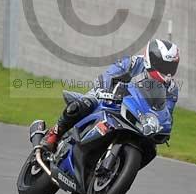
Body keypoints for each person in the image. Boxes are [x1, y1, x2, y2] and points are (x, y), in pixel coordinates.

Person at [41, 39, 180, 152]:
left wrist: (163, 127)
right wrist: (105, 91)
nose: (167, 72)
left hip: (137, 118)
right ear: (152, 60)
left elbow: (166, 114)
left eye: (171, 68)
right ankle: (54, 134)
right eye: (164, 66)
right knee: (83, 105)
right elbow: (107, 77)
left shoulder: (171, 89)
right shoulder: (132, 63)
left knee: (150, 148)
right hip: (110, 101)